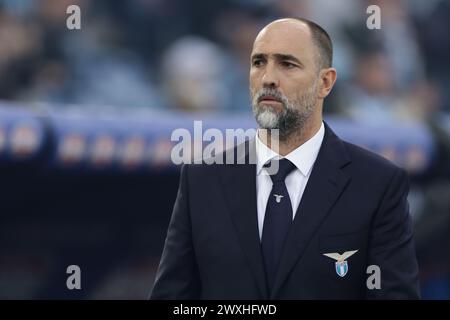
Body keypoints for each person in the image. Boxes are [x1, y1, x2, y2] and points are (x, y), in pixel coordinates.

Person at [150, 18, 420, 299]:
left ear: (325, 82)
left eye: (287, 64)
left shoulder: (377, 184)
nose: (268, 77)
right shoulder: (202, 180)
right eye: (258, 62)